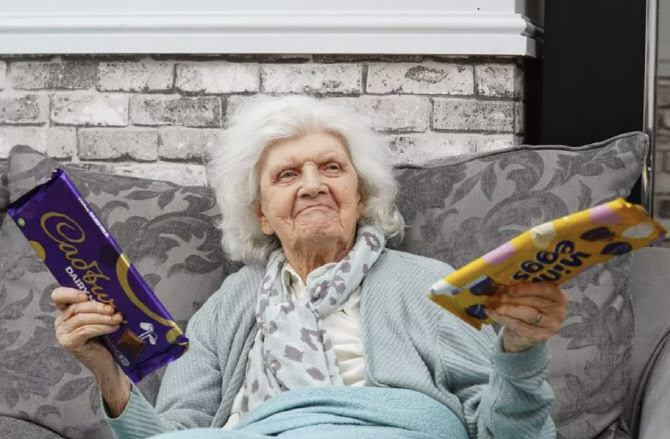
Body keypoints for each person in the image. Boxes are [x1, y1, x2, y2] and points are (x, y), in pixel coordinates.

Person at [51, 95, 568, 439]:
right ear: (262, 214)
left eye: (332, 168)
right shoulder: (227, 307)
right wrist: (108, 372)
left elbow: (509, 434)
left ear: (360, 196)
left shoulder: (425, 284)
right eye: (287, 175)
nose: (313, 185)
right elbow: (172, 434)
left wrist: (520, 354)